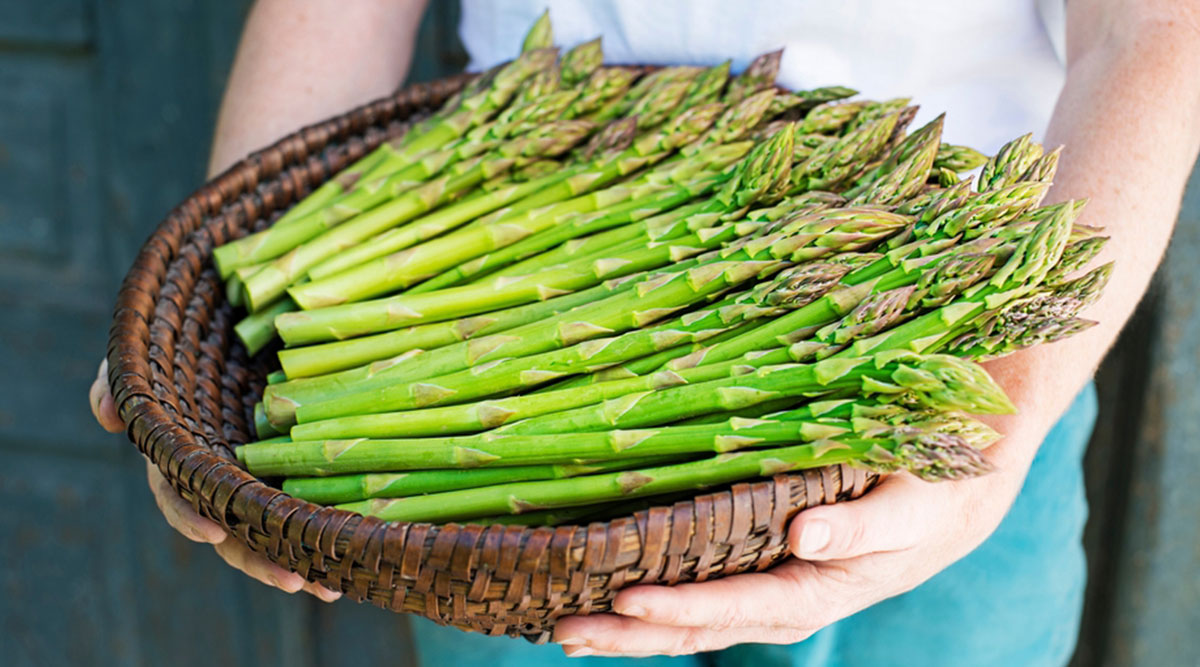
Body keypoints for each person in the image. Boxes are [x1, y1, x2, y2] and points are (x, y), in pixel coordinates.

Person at [89, 0, 1200, 664]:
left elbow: (1152, 24)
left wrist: (1001, 433)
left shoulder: (971, 378)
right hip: (503, 230)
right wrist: (223, 338)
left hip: (943, 355)